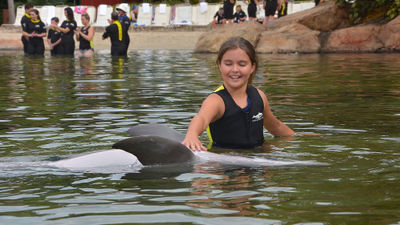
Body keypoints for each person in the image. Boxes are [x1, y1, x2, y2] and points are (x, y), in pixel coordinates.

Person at [182, 37, 297, 151]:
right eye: (228, 64)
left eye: (242, 64)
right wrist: (192, 135)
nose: (235, 69)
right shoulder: (216, 101)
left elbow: (276, 126)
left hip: (259, 158)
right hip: (225, 161)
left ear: (252, 67)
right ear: (219, 65)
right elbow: (201, 118)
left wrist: (301, 138)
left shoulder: (259, 96)